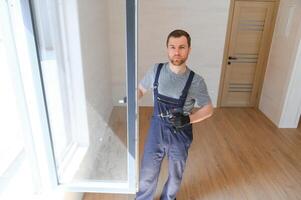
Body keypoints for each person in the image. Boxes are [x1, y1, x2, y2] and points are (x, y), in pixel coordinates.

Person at [136, 29, 213, 200]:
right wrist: (131, 98)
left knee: (175, 176)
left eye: (182, 47)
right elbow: (141, 90)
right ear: (167, 49)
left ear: (189, 49)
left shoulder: (196, 81)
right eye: (172, 47)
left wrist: (188, 118)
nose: (176, 52)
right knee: (148, 171)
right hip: (157, 130)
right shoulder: (156, 70)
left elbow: (208, 109)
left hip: (180, 134)